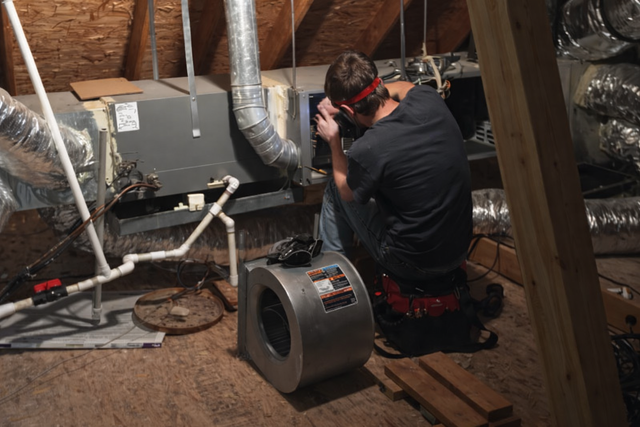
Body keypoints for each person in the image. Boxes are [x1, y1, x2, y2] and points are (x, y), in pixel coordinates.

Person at [314, 50, 472, 291]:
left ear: (348, 111)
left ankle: (333, 292)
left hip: (412, 263)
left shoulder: (368, 147)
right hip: (459, 250)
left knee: (335, 190)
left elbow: (347, 193)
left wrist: (334, 141)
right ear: (379, 83)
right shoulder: (428, 97)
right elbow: (405, 86)